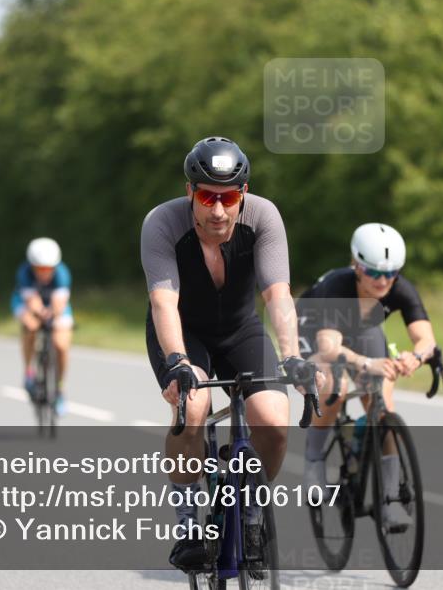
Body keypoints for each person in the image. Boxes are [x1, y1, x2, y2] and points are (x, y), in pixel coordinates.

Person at [140, 136, 313, 570]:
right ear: (190, 192)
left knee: (273, 421)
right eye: (207, 197)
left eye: (229, 197)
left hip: (240, 330)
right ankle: (188, 528)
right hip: (183, 332)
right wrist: (177, 362)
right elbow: (163, 302)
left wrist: (292, 355)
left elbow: (277, 295)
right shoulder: (161, 223)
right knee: (193, 407)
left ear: (244, 193)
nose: (218, 210)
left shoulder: (264, 217)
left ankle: (252, 518)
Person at [297, 223, 437, 531]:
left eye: (391, 273)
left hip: (362, 330)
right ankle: (314, 461)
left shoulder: (399, 287)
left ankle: (391, 500)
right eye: (373, 272)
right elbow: (329, 347)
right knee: (333, 386)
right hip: (313, 329)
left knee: (382, 407)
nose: (383, 280)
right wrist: (368, 363)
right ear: (356, 265)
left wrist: (414, 357)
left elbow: (426, 339)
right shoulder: (338, 286)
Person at [12, 237, 73, 416]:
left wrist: (52, 316)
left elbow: (59, 303)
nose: (44, 273)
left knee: (61, 345)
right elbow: (32, 301)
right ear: (32, 266)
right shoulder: (24, 272)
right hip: (26, 302)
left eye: (48, 269)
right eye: (39, 269)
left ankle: (60, 389)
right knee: (30, 326)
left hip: (55, 306)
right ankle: (29, 373)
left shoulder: (62, 273)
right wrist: (40, 314)